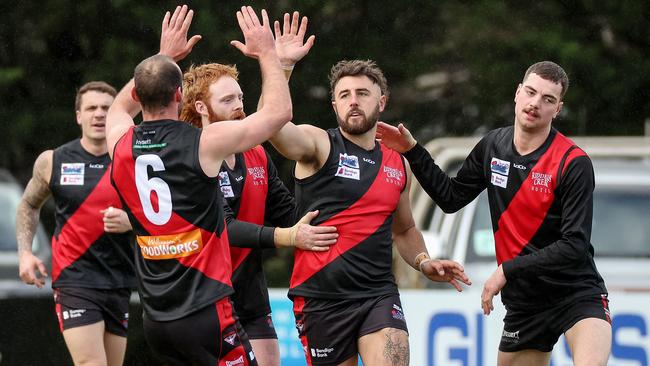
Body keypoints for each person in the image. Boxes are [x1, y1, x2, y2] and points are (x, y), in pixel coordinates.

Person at [376, 61, 611, 366]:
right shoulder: (493, 147)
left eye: (548, 99)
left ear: (558, 109)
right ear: (517, 93)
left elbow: (574, 244)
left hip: (576, 294)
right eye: (531, 92)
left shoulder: (572, 162)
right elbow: (450, 197)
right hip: (525, 303)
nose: (535, 104)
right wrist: (412, 150)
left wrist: (506, 270)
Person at [106, 6, 293, 365]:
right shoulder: (202, 142)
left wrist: (162, 56)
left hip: (157, 317)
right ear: (180, 95)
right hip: (206, 308)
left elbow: (118, 108)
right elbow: (278, 114)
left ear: (141, 97)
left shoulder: (120, 143)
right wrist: (268, 53)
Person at [267, 58, 471, 365]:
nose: (353, 101)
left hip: (378, 295)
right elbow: (273, 127)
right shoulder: (318, 144)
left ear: (382, 102)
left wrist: (423, 261)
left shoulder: (398, 162)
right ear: (334, 105)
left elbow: (404, 230)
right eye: (345, 95)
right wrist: (281, 67)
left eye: (362, 93)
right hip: (321, 299)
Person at [178, 12, 334, 366]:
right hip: (204, 292)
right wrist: (287, 237)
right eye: (228, 101)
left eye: (240, 97)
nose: (239, 107)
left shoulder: (255, 154)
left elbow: (288, 211)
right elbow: (225, 227)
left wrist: (333, 207)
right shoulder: (193, 157)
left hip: (250, 290)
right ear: (201, 108)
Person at [16, 81, 136, 366]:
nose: (99, 114)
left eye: (106, 108)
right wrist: (25, 253)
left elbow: (161, 214)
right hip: (75, 280)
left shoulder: (131, 160)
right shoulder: (53, 160)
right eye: (91, 108)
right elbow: (29, 205)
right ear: (78, 115)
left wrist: (130, 221)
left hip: (119, 279)